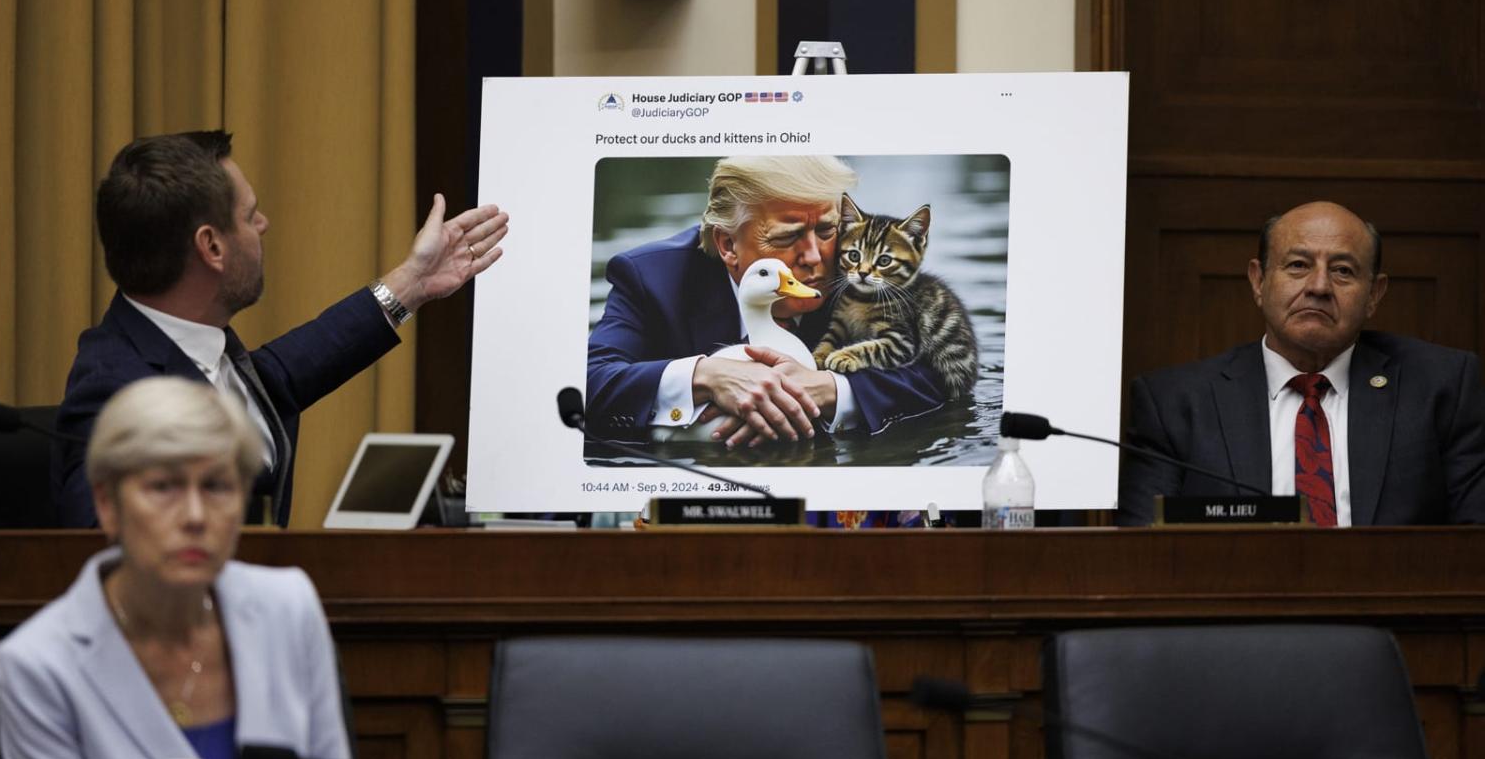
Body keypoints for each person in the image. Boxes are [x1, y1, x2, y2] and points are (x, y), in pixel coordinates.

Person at [52, 130, 508, 527]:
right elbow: (98, 549)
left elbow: (292, 369)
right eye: (250, 216)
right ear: (211, 246)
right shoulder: (115, 386)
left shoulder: (204, 346)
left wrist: (413, 282)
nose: (263, 225)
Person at [0, 377, 371, 759]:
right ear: (107, 505)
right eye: (163, 487)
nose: (195, 516)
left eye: (216, 487)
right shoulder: (39, 666)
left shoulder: (287, 609)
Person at [1117, 200, 1485, 526]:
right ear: (1259, 281)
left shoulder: (1442, 388)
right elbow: (1146, 555)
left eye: (1342, 270)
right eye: (1297, 265)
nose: (1319, 286)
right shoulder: (1174, 404)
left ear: (1374, 294)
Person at [587, 154, 947, 448]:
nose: (815, 256)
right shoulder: (651, 278)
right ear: (728, 245)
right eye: (788, 236)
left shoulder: (860, 267)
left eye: (826, 231)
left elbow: (936, 372)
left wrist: (834, 390)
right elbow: (590, 382)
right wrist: (706, 376)